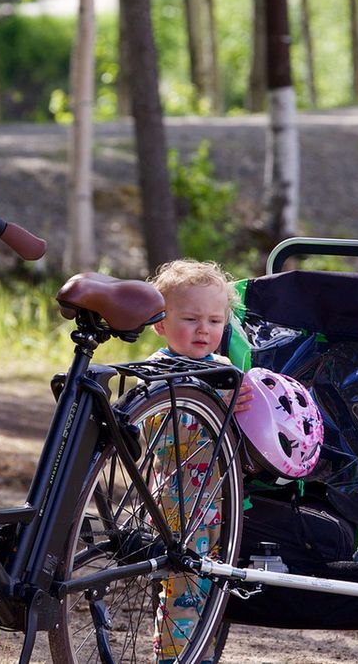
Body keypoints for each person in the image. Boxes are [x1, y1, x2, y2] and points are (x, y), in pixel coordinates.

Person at [146, 259, 248, 663]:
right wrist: (213, 406)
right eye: (190, 319)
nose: (204, 329)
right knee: (183, 585)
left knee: (213, 583)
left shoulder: (223, 370)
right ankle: (173, 658)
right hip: (179, 501)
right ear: (160, 323)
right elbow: (160, 428)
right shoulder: (158, 370)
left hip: (221, 502)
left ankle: (202, 654)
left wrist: (241, 408)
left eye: (215, 320)